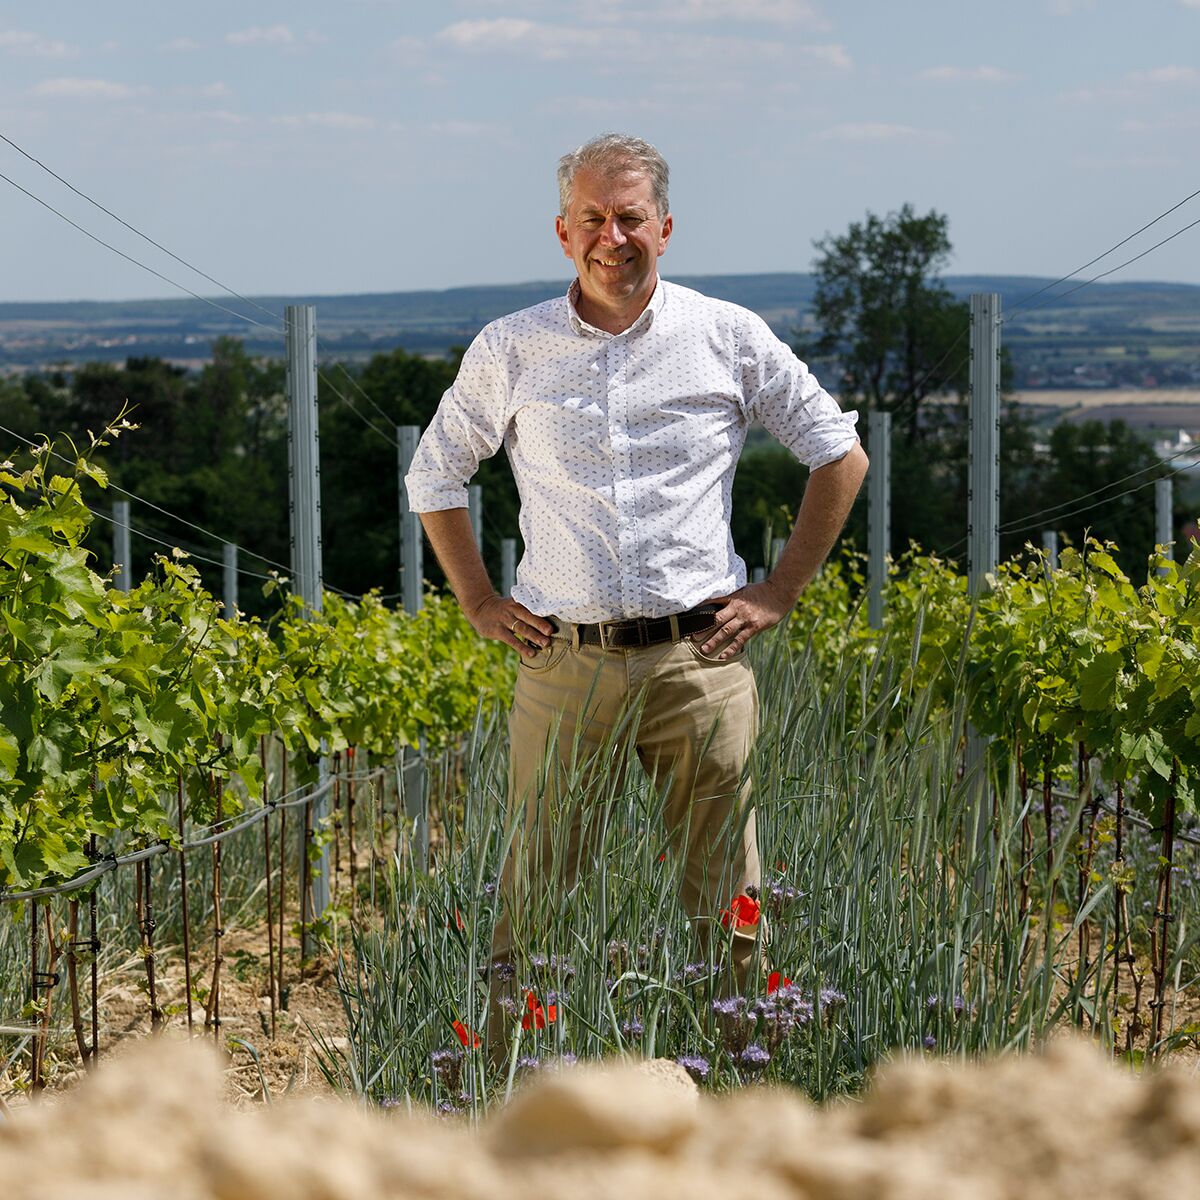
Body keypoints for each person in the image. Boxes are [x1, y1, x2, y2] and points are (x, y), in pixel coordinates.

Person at [404, 133, 867, 1041]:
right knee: (537, 890)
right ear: (562, 231)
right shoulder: (512, 347)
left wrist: (779, 590)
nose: (611, 237)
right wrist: (479, 602)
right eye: (592, 219)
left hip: (700, 661)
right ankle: (512, 1076)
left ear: (665, 227)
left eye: (629, 218)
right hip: (564, 666)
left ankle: (737, 1070)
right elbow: (435, 475)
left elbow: (839, 454)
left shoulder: (726, 336)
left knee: (727, 894)